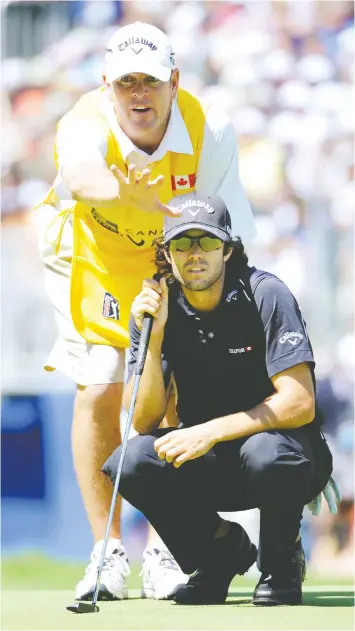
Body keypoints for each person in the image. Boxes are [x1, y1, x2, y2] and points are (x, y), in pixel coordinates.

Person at [36, 21, 255, 601]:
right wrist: (124, 193)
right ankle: (106, 552)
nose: (139, 93)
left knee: (179, 390)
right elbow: (82, 177)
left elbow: (231, 237)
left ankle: (166, 547)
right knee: (103, 381)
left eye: (151, 82)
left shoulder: (211, 130)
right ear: (107, 85)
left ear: (174, 82)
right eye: (126, 81)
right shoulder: (85, 120)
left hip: (172, 258)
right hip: (91, 256)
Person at [103, 192, 339, 606]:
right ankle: (221, 551)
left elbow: (299, 402)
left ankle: (280, 562)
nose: (195, 254)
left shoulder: (266, 293)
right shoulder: (155, 308)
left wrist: (210, 430)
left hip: (284, 455)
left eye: (207, 242)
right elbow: (144, 422)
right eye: (182, 243)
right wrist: (152, 338)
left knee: (268, 452)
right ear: (167, 253)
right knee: (130, 459)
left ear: (227, 249)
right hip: (211, 461)